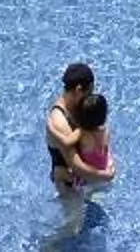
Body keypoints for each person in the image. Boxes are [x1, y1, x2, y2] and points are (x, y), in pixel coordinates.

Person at [46, 60, 95, 189]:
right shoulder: (60, 121)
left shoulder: (77, 103)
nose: (91, 96)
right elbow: (76, 165)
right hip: (69, 184)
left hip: (86, 176)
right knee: (76, 210)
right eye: (89, 92)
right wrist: (106, 174)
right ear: (79, 90)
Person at [66, 91, 116, 187]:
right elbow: (107, 150)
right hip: (104, 173)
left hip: (87, 180)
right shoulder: (105, 131)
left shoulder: (82, 133)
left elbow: (66, 142)